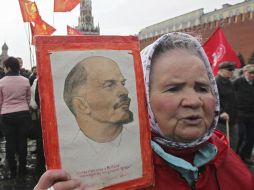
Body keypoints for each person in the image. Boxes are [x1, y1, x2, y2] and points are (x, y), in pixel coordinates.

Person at [35, 33, 254, 190]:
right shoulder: (111, 176)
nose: (194, 101)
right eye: (173, 88)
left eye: (202, 88)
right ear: (143, 97)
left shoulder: (224, 156)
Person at [63, 56, 133, 143]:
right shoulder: (67, 150)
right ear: (81, 105)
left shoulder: (140, 142)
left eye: (123, 83)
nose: (125, 91)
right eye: (109, 85)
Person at [0, 57, 32, 179]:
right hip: (23, 113)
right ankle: (22, 169)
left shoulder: (1, 82)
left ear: (8, 67)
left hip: (6, 115)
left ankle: (12, 170)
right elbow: (28, 98)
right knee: (23, 142)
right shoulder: (25, 80)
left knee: (10, 142)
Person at [233, 64, 254, 165]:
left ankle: (246, 156)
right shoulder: (237, 82)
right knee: (241, 135)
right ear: (245, 72)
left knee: (251, 137)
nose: (252, 75)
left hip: (252, 114)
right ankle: (236, 156)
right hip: (240, 114)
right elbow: (231, 96)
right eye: (251, 73)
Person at [215, 61, 238, 151]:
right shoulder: (216, 83)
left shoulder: (229, 82)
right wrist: (221, 112)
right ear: (220, 70)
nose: (232, 72)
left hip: (232, 120)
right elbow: (214, 100)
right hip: (222, 121)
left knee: (233, 144)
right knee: (223, 145)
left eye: (233, 70)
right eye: (229, 70)